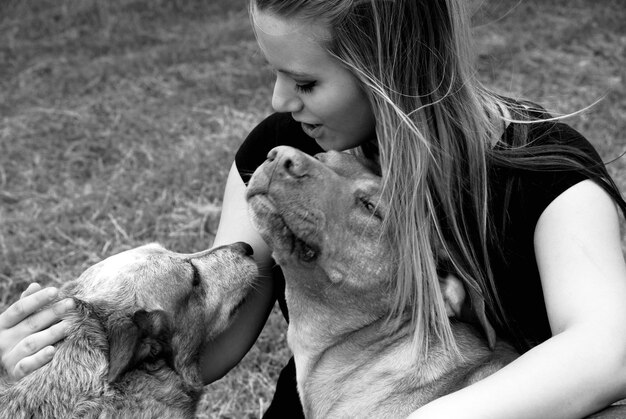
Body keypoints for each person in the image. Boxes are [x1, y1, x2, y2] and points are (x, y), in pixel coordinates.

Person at [2, 0, 626, 417]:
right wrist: (44, 360)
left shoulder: (539, 175)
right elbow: (204, 338)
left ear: (390, 70)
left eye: (305, 84)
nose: (280, 104)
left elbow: (611, 347)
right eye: (275, 75)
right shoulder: (290, 150)